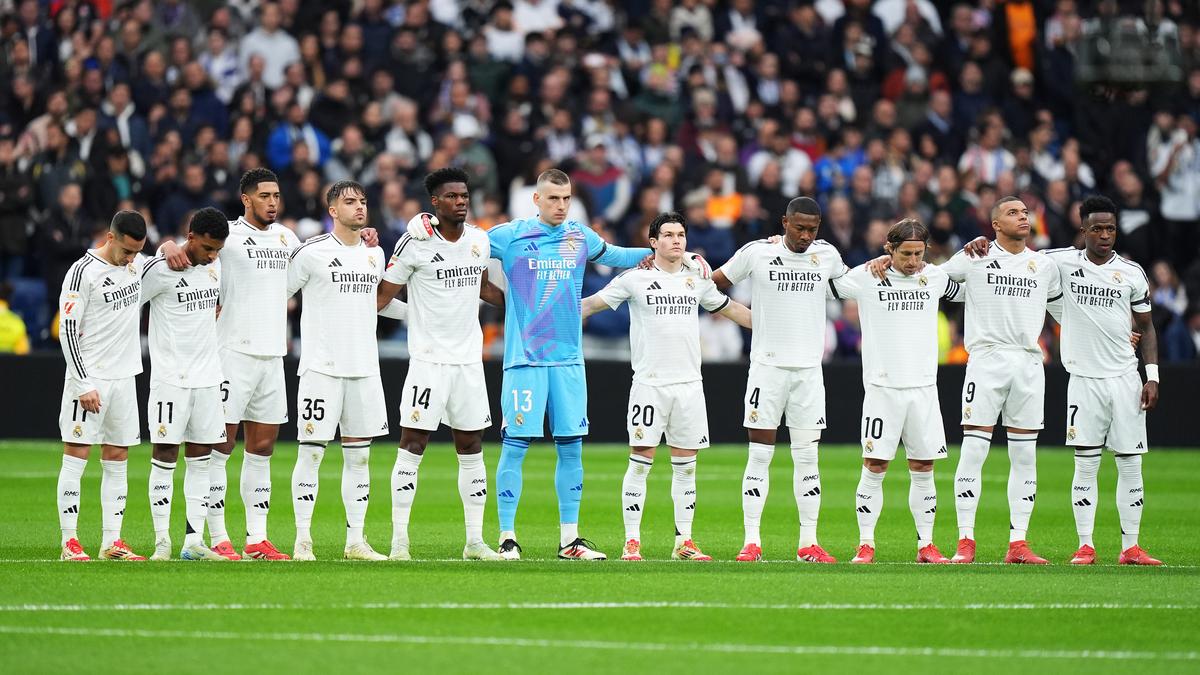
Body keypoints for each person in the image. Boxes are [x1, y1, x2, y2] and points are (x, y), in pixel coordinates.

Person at [406, 168, 706, 560]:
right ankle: (507, 537)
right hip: (525, 360)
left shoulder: (579, 235)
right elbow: (461, 239)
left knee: (571, 448)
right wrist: (421, 222)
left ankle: (570, 540)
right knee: (515, 447)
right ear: (536, 199)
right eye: (553, 199)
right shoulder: (509, 235)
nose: (561, 206)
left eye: (566, 199)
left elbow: (616, 255)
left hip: (568, 361)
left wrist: (672, 254)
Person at [159, 168, 379, 561]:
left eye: (276, 195)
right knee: (219, 447)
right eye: (264, 196)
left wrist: (360, 241)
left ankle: (257, 538)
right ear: (246, 199)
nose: (273, 201)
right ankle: (217, 534)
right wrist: (166, 245)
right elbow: (190, 249)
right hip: (231, 353)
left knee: (261, 449)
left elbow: (323, 262)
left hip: (273, 355)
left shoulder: (288, 239)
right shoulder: (227, 236)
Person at [968, 196, 1162, 565]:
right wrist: (979, 243)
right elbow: (1017, 261)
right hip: (1083, 379)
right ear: (1083, 230)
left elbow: (1147, 327)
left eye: (1110, 229)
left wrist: (1151, 376)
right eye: (1097, 229)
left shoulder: (1132, 273)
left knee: (1130, 463)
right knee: (1085, 463)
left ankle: (1131, 547)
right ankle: (1085, 545)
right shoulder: (1056, 262)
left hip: (1125, 377)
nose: (1105, 235)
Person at [582, 211, 752, 562]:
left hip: (690, 386)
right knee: (640, 462)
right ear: (653, 242)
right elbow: (592, 305)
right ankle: (632, 541)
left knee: (687, 466)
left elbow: (731, 309)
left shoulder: (697, 280)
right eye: (669, 234)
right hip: (650, 385)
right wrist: (545, 315)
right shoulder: (635, 279)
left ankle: (684, 542)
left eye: (681, 235)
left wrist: (774, 326)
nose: (676, 240)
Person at [376, 167, 506, 561]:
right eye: (452, 196)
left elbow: (483, 287)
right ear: (435, 202)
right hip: (429, 362)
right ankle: (400, 542)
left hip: (468, 363)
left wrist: (524, 305)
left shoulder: (479, 241)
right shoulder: (413, 243)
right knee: (412, 445)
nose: (461, 202)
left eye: (464, 195)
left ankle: (474, 542)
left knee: (471, 446)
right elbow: (380, 296)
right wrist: (412, 315)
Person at [711, 197, 849, 563]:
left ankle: (808, 543)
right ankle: (751, 542)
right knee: (759, 455)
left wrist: (883, 261)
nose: (805, 235)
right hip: (767, 369)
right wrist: (741, 316)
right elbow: (713, 286)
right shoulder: (757, 253)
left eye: (812, 229)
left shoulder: (828, 256)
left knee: (808, 459)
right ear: (784, 221)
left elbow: (853, 285)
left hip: (808, 372)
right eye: (799, 227)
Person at [936, 196, 1061, 564]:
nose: (1022, 217)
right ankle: (965, 540)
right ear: (994, 224)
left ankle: (1018, 543)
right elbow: (932, 278)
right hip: (986, 360)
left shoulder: (1043, 265)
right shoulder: (975, 256)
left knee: (1024, 454)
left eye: (1025, 213)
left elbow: (1061, 309)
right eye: (1013, 213)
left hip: (1027, 363)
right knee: (974, 449)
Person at [829, 219, 961, 564]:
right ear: (889, 249)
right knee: (874, 465)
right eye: (906, 253)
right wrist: (865, 264)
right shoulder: (868, 277)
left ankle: (926, 545)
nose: (913, 260)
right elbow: (827, 282)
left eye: (919, 253)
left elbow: (969, 284)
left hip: (923, 389)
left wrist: (978, 245)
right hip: (882, 388)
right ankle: (866, 543)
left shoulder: (935, 277)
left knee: (923, 466)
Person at [286, 180, 400, 561]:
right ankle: (303, 539)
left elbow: (378, 304)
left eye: (363, 201)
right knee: (312, 453)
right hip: (322, 367)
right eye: (350, 202)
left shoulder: (375, 253)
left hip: (364, 368)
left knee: (360, 457)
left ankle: (355, 541)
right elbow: (278, 295)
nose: (359, 207)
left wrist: (424, 316)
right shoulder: (311, 253)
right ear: (333, 210)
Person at [55, 211, 148, 561]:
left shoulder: (136, 266)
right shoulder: (82, 272)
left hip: (125, 378)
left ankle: (112, 542)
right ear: (110, 238)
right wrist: (82, 383)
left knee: (118, 457)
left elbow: (162, 262)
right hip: (90, 379)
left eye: (137, 252)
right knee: (77, 454)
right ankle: (70, 542)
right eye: (126, 250)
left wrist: (169, 246)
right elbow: (67, 331)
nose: (131, 258)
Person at [140, 207, 230, 561]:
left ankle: (193, 541)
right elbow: (127, 288)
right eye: (207, 248)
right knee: (165, 454)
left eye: (217, 250)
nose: (212, 256)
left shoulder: (216, 266)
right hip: (170, 380)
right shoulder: (162, 269)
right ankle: (162, 540)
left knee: (201, 457)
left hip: (208, 378)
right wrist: (163, 246)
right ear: (190, 237)